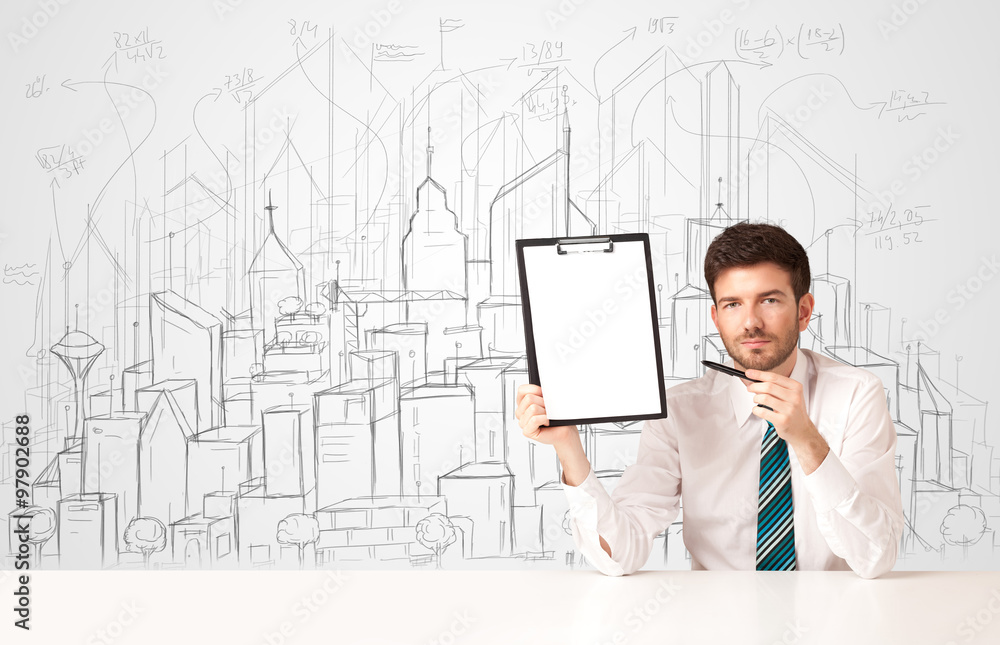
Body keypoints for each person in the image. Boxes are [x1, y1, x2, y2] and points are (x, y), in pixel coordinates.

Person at [515, 222, 904, 577]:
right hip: (714, 622)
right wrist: (568, 449)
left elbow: (876, 557)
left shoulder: (856, 394)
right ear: (716, 318)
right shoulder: (681, 412)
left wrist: (806, 439)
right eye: (733, 304)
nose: (750, 322)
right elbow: (621, 554)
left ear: (803, 312)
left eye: (769, 300)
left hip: (830, 624)